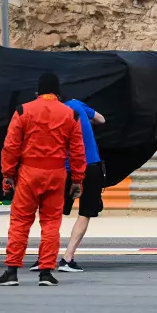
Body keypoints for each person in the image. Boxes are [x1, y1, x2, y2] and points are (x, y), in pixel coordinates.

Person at [0, 73, 86, 287]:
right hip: (56, 173)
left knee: (20, 222)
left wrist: (8, 174)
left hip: (28, 173)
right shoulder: (70, 114)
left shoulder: (23, 111)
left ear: (38, 91)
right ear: (57, 92)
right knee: (51, 223)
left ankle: (12, 272)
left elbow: (10, 146)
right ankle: (46, 272)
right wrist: (78, 179)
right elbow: (77, 151)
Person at [29, 98, 105, 273]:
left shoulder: (45, 114)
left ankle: (44, 259)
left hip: (64, 170)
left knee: (53, 214)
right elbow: (101, 119)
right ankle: (67, 259)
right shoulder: (77, 105)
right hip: (90, 166)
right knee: (85, 213)